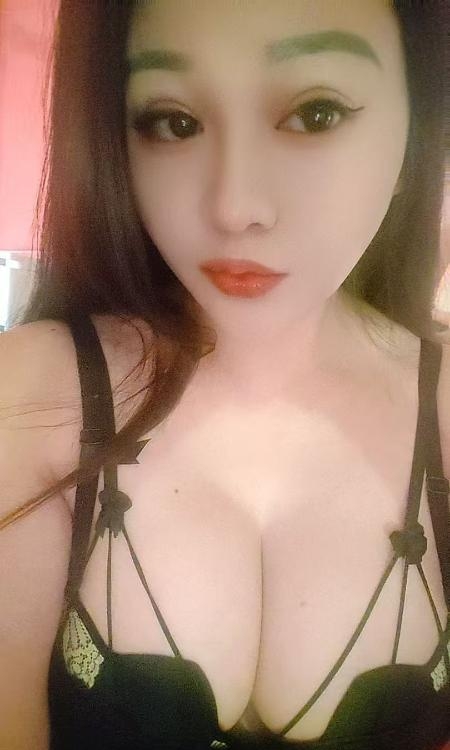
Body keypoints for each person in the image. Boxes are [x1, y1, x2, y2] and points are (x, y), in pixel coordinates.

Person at [0, 1, 449, 748]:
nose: (235, 207)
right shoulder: (29, 396)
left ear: (417, 133)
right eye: (173, 122)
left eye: (316, 113)